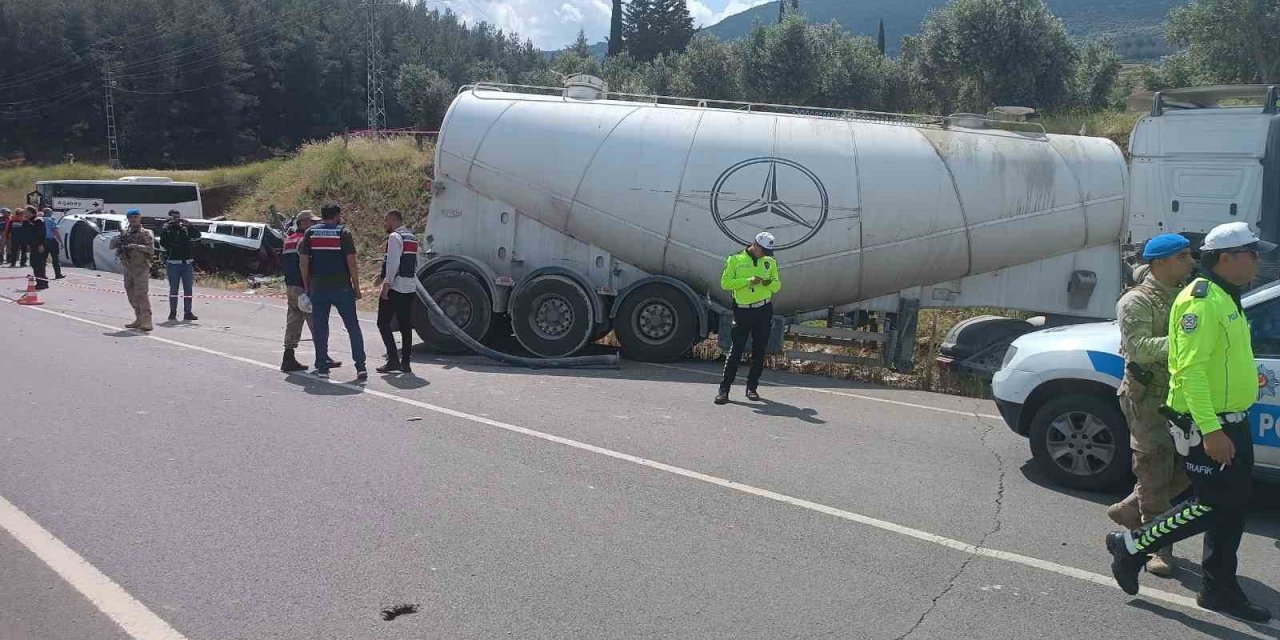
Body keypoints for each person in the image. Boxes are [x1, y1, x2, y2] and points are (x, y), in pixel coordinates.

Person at [1105, 221, 1275, 622]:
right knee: (1210, 504)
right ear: (1227, 258)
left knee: (1231, 509)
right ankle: (1130, 547)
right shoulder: (1200, 301)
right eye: (1251, 253)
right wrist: (1212, 429)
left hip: (1231, 418)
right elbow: (1191, 370)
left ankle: (1219, 589)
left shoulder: (1226, 295)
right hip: (1209, 421)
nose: (1257, 261)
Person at [1106, 233, 1195, 577]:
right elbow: (1140, 347)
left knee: (1188, 469)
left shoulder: (1189, 294)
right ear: (1161, 262)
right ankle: (1158, 546)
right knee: (1155, 470)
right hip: (1149, 398)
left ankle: (1131, 508)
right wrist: (1189, 342)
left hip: (1183, 394)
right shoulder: (1137, 301)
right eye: (1183, 256)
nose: (1191, 262)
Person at [299, 202, 366, 380]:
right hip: (342, 288)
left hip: (319, 288)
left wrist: (307, 286)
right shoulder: (343, 232)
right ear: (336, 216)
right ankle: (360, 367)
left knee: (320, 328)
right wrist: (356, 287)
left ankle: (322, 367)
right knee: (353, 327)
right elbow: (351, 261)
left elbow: (304, 262)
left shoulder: (310, 233)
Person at [715, 231, 782, 405]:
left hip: (764, 309)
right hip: (743, 310)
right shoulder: (735, 260)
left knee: (759, 351)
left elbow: (777, 285)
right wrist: (747, 281)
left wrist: (768, 283)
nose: (766, 255)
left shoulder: (770, 261)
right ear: (755, 245)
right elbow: (725, 283)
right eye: (764, 250)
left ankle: (752, 388)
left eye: (768, 252)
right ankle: (724, 390)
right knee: (736, 350)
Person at [279, 211, 342, 373]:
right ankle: (323, 358)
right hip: (304, 287)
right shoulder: (304, 241)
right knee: (318, 322)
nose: (315, 225)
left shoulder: (289, 240)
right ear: (303, 223)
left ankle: (288, 357)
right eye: (312, 222)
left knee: (293, 322)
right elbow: (308, 264)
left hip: (291, 287)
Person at [375, 209, 418, 374]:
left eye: (386, 221)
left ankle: (393, 359)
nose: (385, 224)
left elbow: (393, 263)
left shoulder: (395, 237)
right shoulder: (412, 237)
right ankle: (406, 363)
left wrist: (386, 285)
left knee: (383, 322)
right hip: (410, 287)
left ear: (393, 220)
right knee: (405, 324)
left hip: (395, 287)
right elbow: (414, 263)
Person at [109, 209, 156, 331]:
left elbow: (151, 249)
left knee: (141, 294)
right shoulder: (125, 233)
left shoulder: (146, 233)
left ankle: (147, 321)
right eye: (131, 217)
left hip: (141, 267)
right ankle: (139, 319)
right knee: (131, 294)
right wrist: (120, 239)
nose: (133, 219)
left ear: (140, 217)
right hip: (128, 268)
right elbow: (111, 246)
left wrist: (135, 246)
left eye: (136, 217)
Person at [159, 209, 201, 322]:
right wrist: (167, 227)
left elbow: (197, 235)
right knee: (174, 289)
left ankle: (188, 312)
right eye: (174, 217)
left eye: (178, 217)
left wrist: (189, 225)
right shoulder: (167, 229)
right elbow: (163, 242)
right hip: (173, 263)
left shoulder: (185, 229)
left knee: (188, 289)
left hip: (187, 263)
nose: (177, 219)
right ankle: (173, 312)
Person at [28, 207, 50, 289]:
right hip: (34, 245)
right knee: (34, 264)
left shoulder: (38, 220)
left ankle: (42, 283)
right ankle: (40, 282)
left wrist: (41, 244)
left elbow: (41, 233)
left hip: (39, 246)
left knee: (39, 264)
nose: (25, 214)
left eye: (26, 212)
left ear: (31, 212)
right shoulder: (30, 221)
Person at [41, 208, 64, 280]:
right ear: (50, 213)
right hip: (51, 241)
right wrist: (60, 241)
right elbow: (55, 231)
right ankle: (58, 274)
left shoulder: (40, 220)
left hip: (42, 241)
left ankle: (42, 275)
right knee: (55, 258)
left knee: (42, 259)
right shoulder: (51, 220)